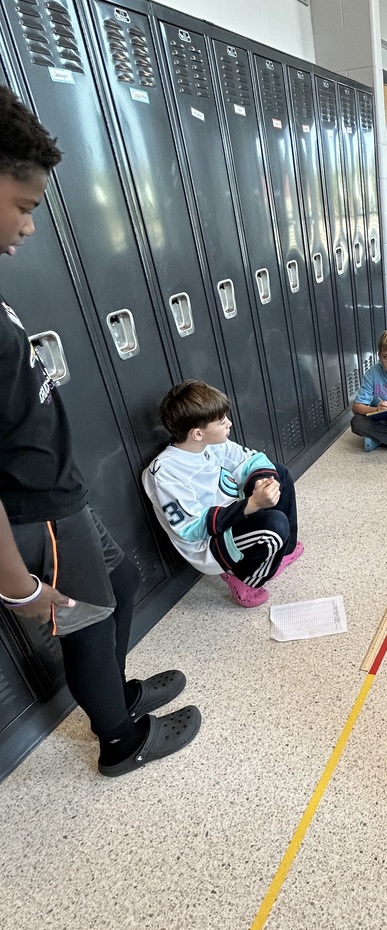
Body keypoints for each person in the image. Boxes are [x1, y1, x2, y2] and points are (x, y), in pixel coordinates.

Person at [0, 85, 200, 777]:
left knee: (113, 576)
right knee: (86, 617)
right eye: (23, 207)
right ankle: (120, 737)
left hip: (59, 494)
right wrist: (17, 586)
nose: (28, 228)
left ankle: (114, 692)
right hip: (36, 511)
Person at [143, 381, 303, 608]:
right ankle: (243, 577)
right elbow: (193, 529)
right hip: (209, 544)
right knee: (274, 525)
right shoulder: (165, 473)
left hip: (234, 512)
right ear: (198, 433)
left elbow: (253, 460)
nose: (229, 423)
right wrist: (252, 505)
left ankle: (284, 552)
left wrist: (261, 482)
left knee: (280, 474)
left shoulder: (213, 443)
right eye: (221, 421)